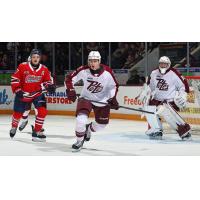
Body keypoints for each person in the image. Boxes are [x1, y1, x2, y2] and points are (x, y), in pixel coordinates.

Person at [65, 51, 119, 150]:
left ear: (99, 61)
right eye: (90, 61)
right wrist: (70, 90)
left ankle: (88, 128)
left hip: (102, 101)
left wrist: (112, 98)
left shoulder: (108, 72)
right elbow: (69, 79)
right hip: (86, 98)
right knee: (80, 120)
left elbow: (114, 86)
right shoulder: (83, 70)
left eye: (95, 61)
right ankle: (79, 140)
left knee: (101, 125)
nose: (92, 63)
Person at [137, 56, 191, 140]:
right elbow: (150, 86)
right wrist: (145, 92)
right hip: (157, 99)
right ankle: (157, 130)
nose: (163, 65)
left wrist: (183, 95)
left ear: (168, 64)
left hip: (170, 101)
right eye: (161, 64)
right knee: (148, 108)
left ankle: (184, 131)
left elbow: (183, 86)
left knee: (165, 111)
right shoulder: (154, 73)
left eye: (165, 64)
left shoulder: (174, 73)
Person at [10, 49, 56, 141]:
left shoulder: (44, 69)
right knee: (18, 114)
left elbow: (47, 81)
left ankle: (37, 131)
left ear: (40, 58)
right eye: (34, 57)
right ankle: (14, 126)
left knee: (42, 111)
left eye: (37, 57)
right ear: (31, 58)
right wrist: (18, 90)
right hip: (23, 95)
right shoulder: (23, 66)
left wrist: (49, 86)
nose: (35, 59)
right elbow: (15, 78)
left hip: (37, 95)